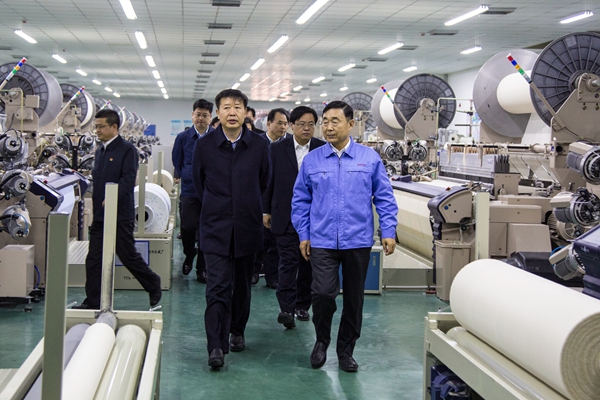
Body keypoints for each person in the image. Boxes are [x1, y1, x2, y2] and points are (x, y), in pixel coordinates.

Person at [291, 101, 398, 373]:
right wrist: (304, 233)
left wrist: (388, 231)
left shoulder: (369, 158)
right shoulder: (312, 160)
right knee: (322, 294)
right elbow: (300, 200)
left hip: (357, 240)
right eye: (325, 121)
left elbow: (384, 197)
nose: (328, 127)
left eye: (335, 121)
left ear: (351, 124)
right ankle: (321, 341)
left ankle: (346, 351)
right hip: (322, 240)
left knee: (354, 299)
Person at [192, 89, 270, 369]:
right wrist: (219, 205)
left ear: (246, 112)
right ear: (218, 113)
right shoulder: (204, 146)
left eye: (238, 107)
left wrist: (246, 204)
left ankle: (237, 330)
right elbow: (199, 184)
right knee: (217, 287)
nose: (232, 112)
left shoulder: (259, 145)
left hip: (247, 228)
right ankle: (216, 345)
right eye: (226, 107)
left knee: (242, 287)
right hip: (215, 228)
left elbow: (264, 181)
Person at [74, 109, 162, 309]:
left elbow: (128, 179)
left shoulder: (127, 149)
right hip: (100, 216)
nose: (97, 130)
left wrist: (112, 198)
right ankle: (93, 301)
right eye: (96, 127)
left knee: (127, 254)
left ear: (114, 127)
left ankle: (153, 283)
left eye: (101, 126)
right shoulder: (100, 150)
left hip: (120, 214)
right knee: (94, 259)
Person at [263, 106, 325, 329]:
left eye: (311, 124)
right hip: (285, 214)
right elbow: (268, 181)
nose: (306, 128)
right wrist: (266, 210)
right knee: (287, 263)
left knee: (307, 263)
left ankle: (302, 305)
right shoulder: (277, 149)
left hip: (314, 217)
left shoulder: (322, 149)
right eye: (301, 124)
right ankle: (286, 309)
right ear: (291, 126)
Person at [172, 99, 214, 283]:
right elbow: (177, 160)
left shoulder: (217, 136)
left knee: (207, 230)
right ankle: (190, 253)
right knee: (188, 227)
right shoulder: (183, 137)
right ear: (192, 115)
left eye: (205, 115)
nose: (201, 119)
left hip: (211, 191)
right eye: (198, 115)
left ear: (210, 117)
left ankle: (202, 269)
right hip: (190, 190)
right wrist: (188, 175)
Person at [254, 108, 291, 288]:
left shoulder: (289, 145)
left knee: (275, 241)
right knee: (257, 238)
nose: (283, 127)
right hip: (257, 196)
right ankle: (254, 271)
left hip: (278, 199)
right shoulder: (256, 143)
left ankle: (272, 276)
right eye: (279, 123)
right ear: (269, 123)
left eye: (286, 124)